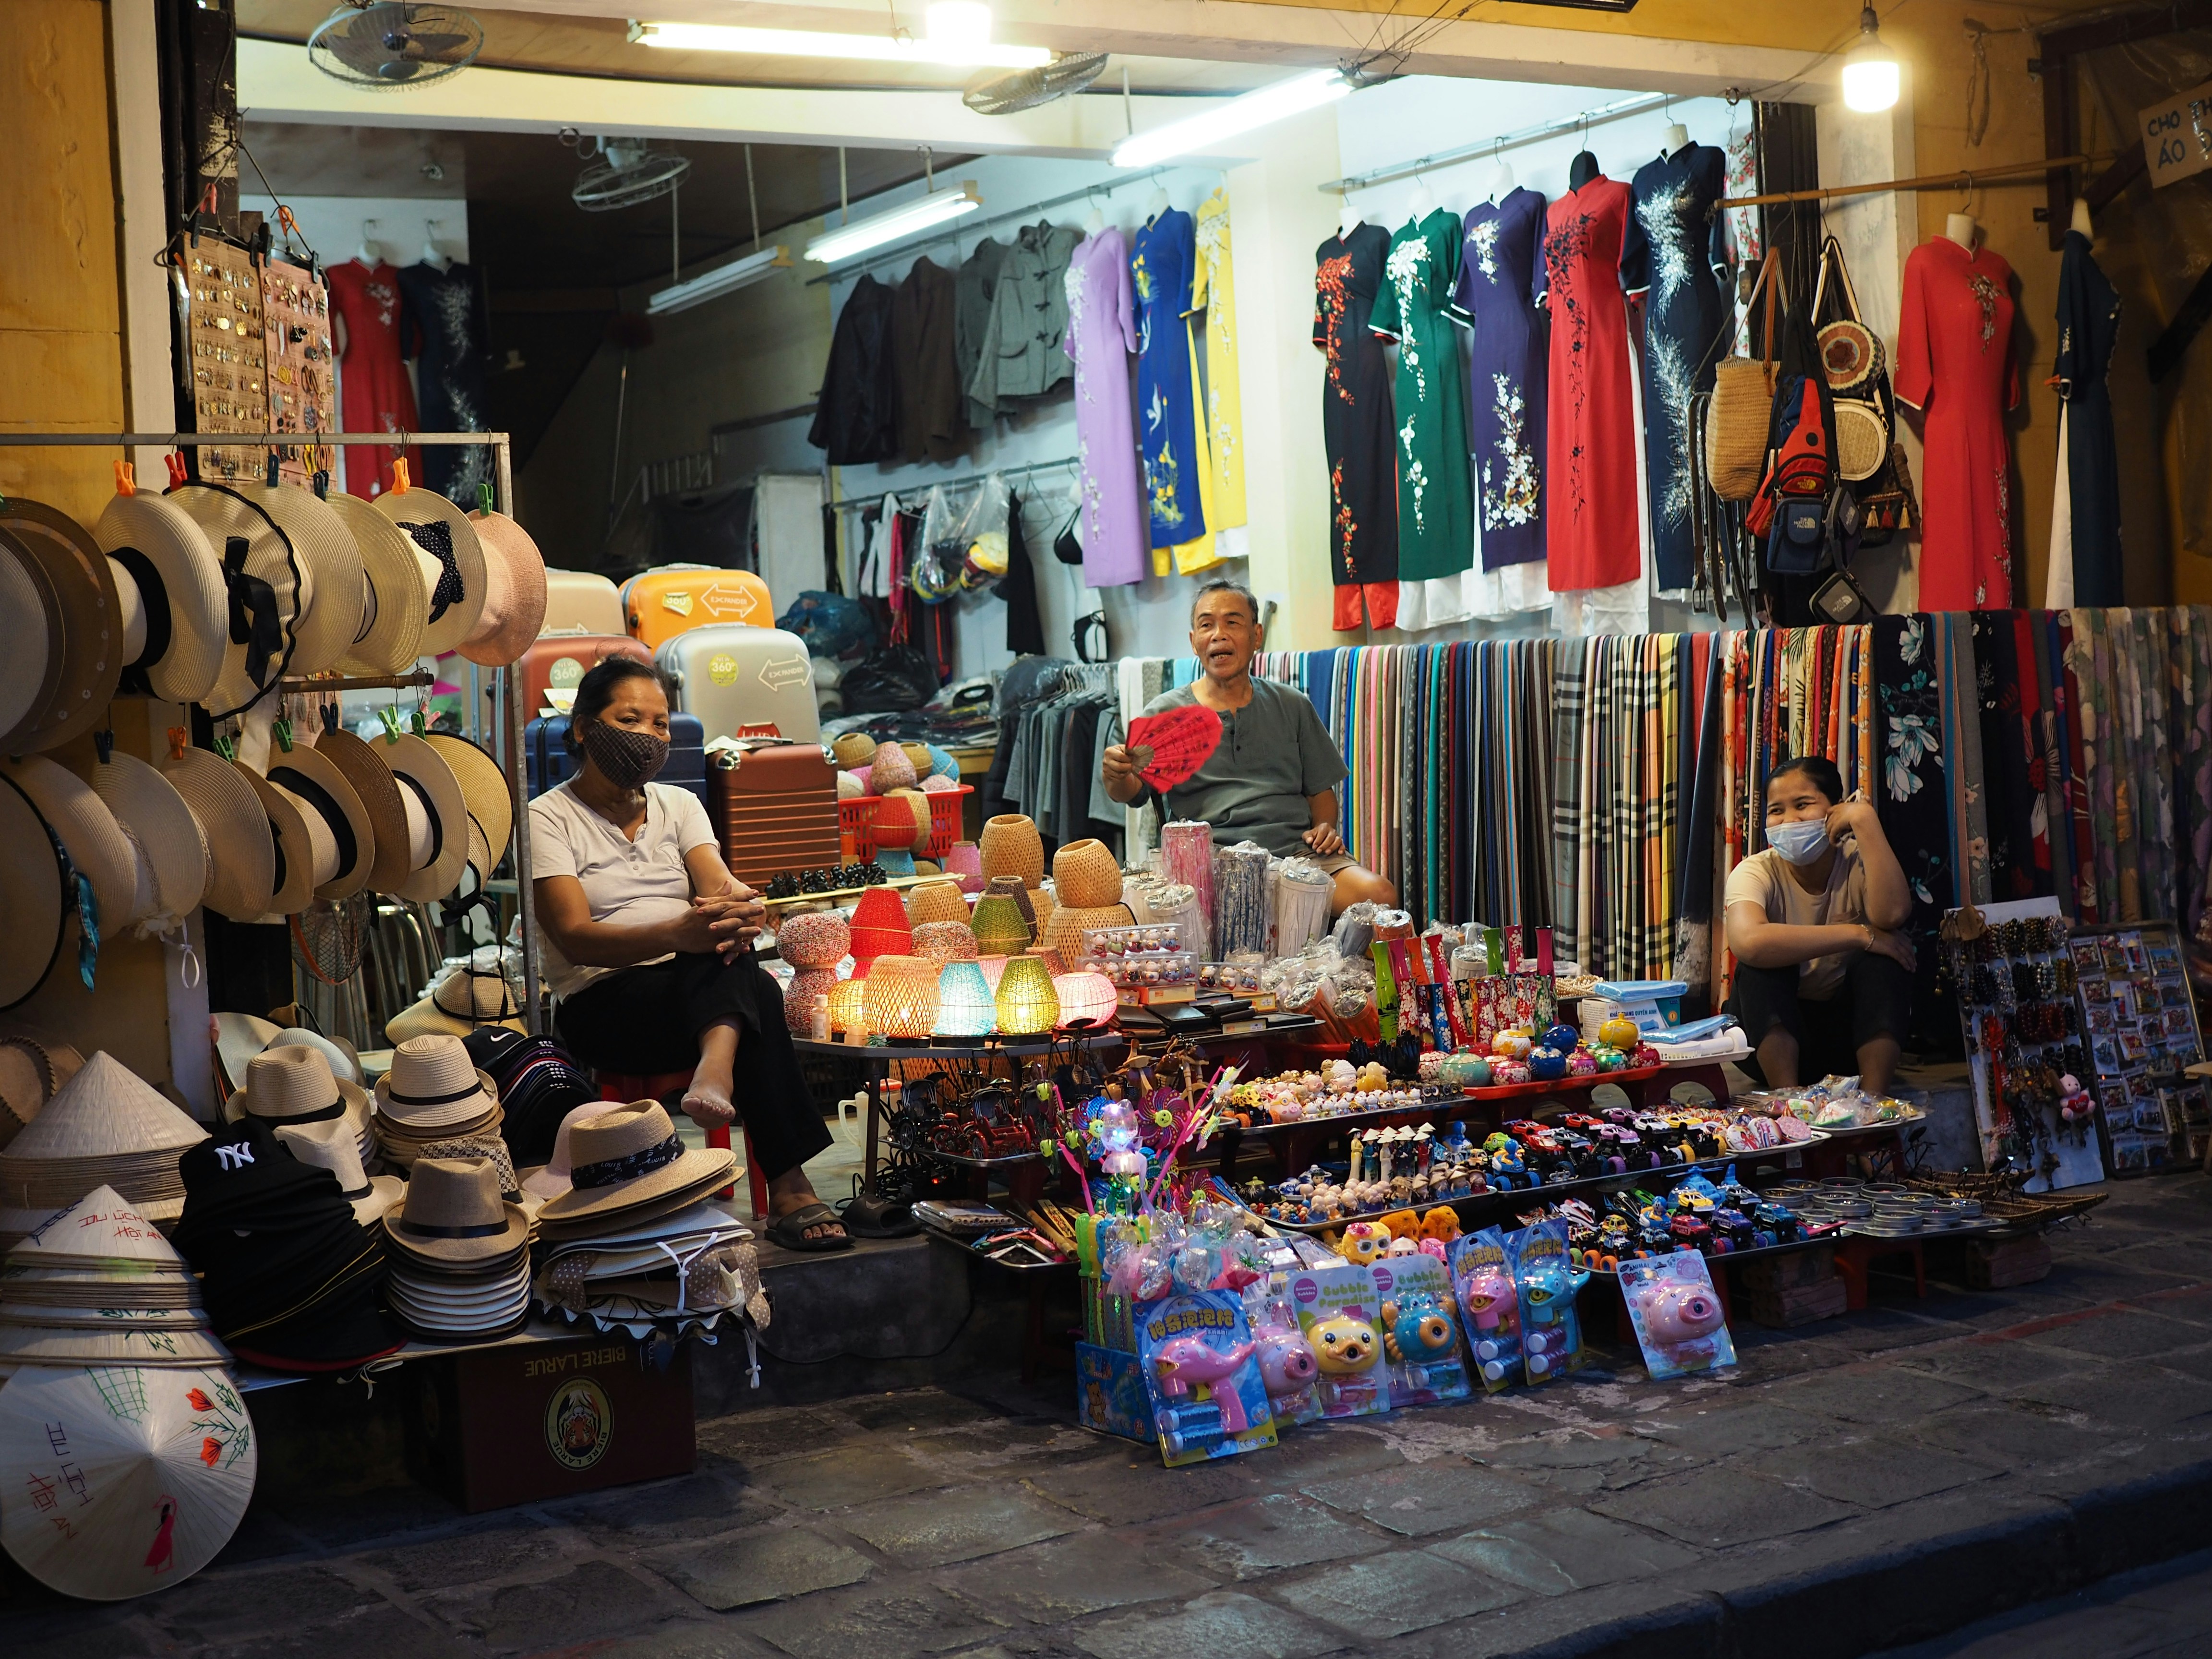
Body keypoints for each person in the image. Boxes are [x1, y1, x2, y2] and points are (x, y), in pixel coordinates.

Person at [529, 657, 848, 1250]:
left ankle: (716, 1068)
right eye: (631, 719)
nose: (650, 736)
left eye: (660, 725)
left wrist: (743, 909)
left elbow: (717, 885)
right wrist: (679, 934)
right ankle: (790, 1188)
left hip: (693, 996)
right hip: (604, 1002)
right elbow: (574, 935)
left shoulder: (678, 805)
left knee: (725, 946)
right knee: (745, 982)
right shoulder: (547, 818)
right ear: (581, 728)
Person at [1102, 579, 1395, 915]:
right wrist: (1115, 775)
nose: (1218, 634)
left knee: (1380, 898)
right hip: (1210, 865)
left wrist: (1325, 828)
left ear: (1257, 636)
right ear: (1194, 642)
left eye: (1232, 622)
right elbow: (1130, 792)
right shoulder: (1165, 713)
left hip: (1296, 857)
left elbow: (1320, 793)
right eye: (1206, 625)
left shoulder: (1292, 704)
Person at [1723, 756, 1917, 1093]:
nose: (1789, 820)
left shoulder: (1857, 860)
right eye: (1776, 810)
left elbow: (1893, 914)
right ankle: (1789, 1101)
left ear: (1835, 809)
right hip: (1770, 1043)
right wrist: (1859, 935)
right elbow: (1749, 941)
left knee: (1885, 962)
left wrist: (1864, 819)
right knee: (1759, 966)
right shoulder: (1755, 871)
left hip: (1848, 1043)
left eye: (1803, 805)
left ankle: (1872, 1102)